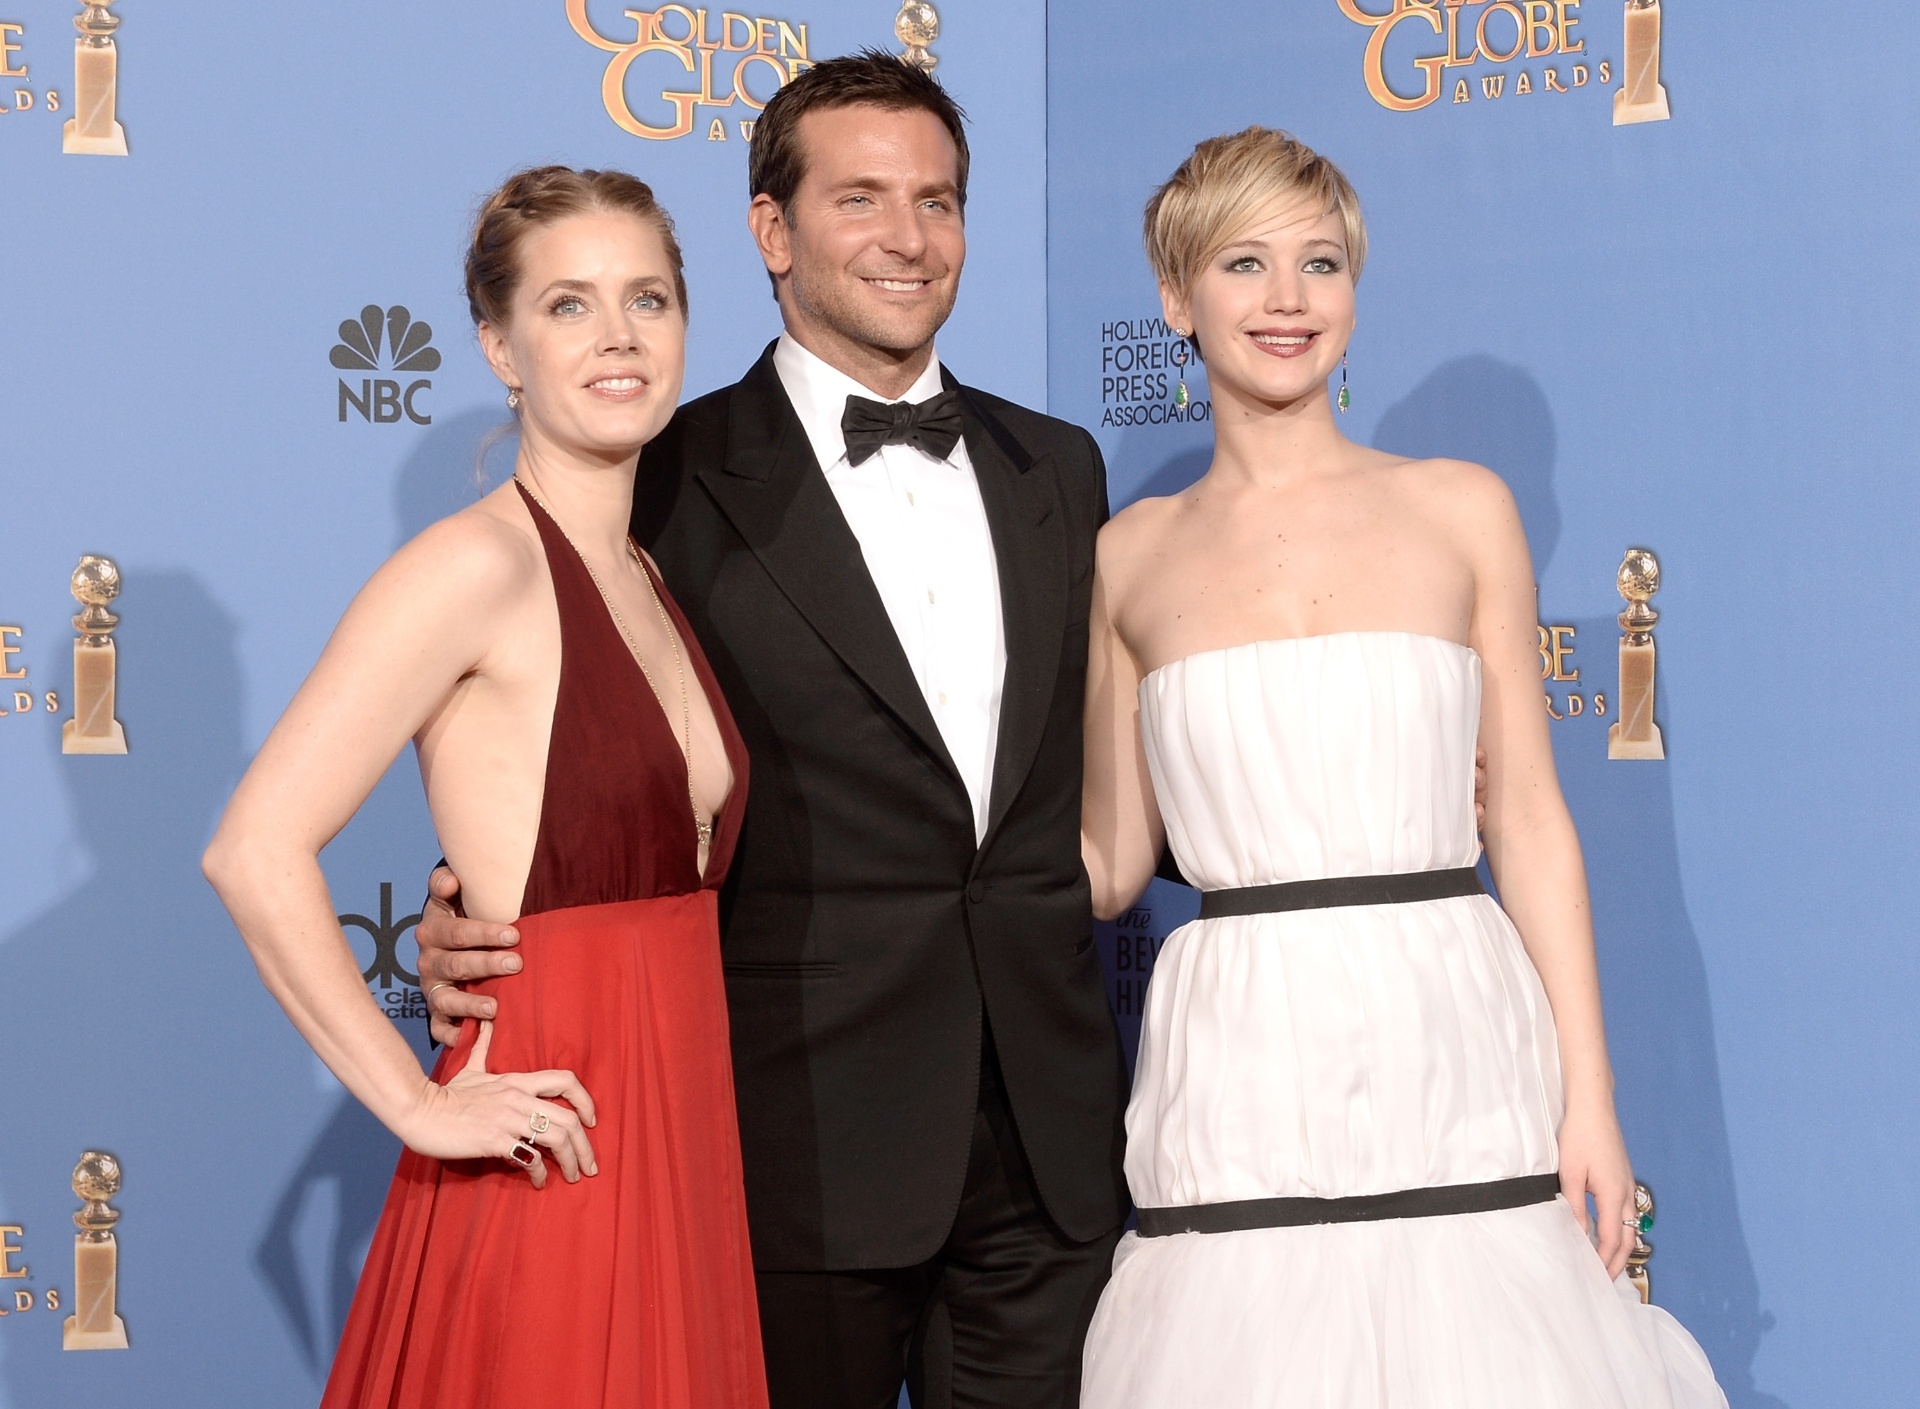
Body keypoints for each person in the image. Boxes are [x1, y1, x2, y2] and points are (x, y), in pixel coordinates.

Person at [413, 53, 1129, 1409]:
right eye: (860, 197)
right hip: (791, 1137)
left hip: (1047, 1142)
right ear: (770, 229)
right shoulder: (663, 476)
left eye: (938, 199)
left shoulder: (1063, 469)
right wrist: (470, 907)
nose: (908, 237)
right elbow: (562, 739)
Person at [1075, 128, 1729, 1406]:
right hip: (1240, 1060)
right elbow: (1107, 862)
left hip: (1454, 1039)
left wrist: (1590, 1095)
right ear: (1176, 296)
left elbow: (1530, 818)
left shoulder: (1459, 507)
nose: (1287, 299)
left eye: (1320, 263)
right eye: (1246, 263)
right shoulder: (1126, 556)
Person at [203, 166, 767, 1408]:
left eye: (649, 298)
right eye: (569, 305)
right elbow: (254, 847)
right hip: (553, 1147)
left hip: (678, 1142)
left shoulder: (647, 575)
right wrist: (414, 1100)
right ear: (498, 346)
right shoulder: (469, 567)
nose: (619, 335)